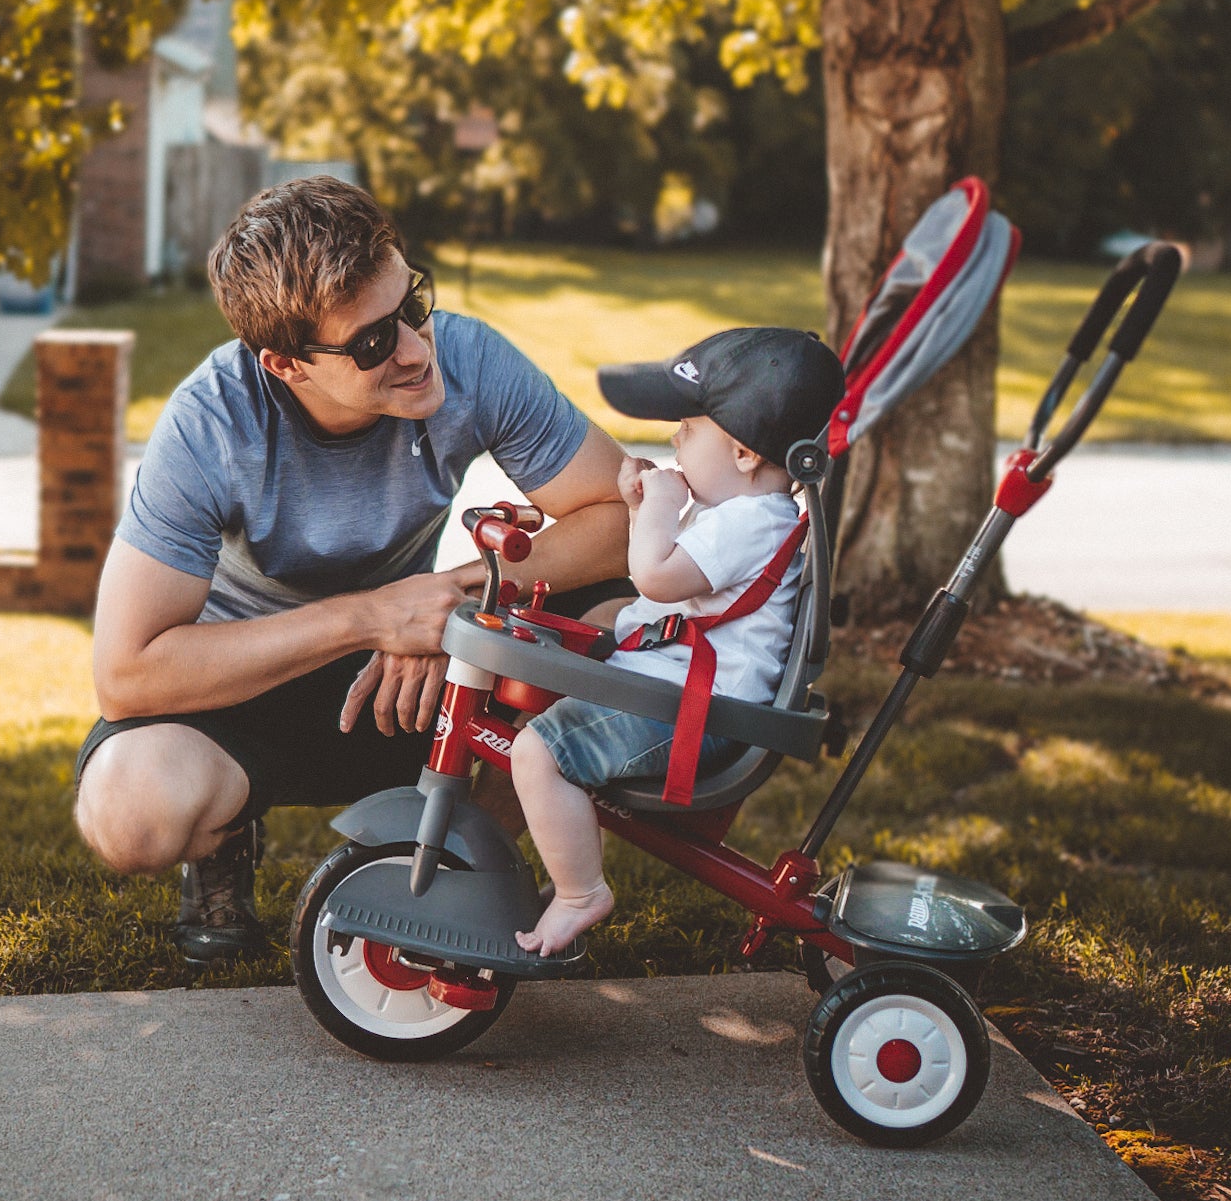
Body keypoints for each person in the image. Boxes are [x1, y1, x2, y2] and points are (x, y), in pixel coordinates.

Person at [74, 177, 629, 965]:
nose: (414, 347)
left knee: (614, 631)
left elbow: (622, 516)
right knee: (131, 816)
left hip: (410, 682)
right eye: (372, 342)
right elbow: (125, 674)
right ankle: (225, 839)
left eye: (413, 304)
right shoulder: (209, 422)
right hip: (245, 681)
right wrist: (370, 616)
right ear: (285, 363)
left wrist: (458, 607)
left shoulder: (467, 359)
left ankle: (458, 867)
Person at [511, 326, 843, 958]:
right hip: (690, 689)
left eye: (689, 427)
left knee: (538, 753)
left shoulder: (750, 521)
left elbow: (656, 578)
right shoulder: (745, 515)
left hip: (703, 711)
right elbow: (672, 576)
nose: (675, 439)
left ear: (744, 454)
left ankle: (580, 892)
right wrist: (645, 512)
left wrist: (658, 506)